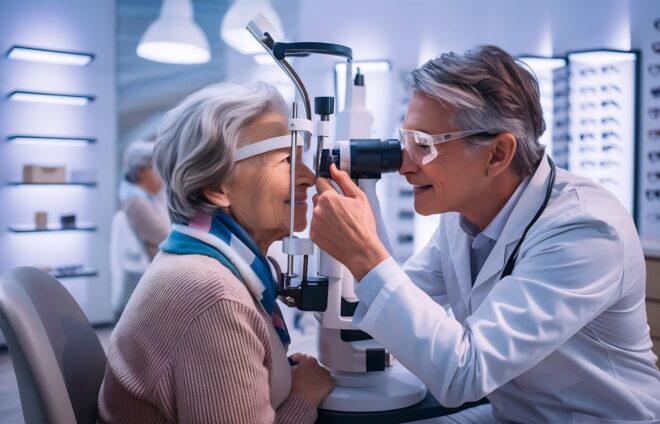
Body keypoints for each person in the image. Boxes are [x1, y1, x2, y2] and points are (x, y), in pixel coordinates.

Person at [310, 45, 660, 422]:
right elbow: (395, 303)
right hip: (513, 414)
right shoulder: (462, 216)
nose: (406, 164)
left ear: (497, 154)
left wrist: (364, 254)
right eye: (407, 138)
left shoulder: (586, 231)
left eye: (425, 145)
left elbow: (465, 373)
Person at [99, 82, 334, 423]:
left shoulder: (212, 269)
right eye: (287, 160)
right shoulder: (212, 296)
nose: (310, 177)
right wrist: (302, 398)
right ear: (215, 188)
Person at [112, 140, 170, 318]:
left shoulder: (152, 198)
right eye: (157, 167)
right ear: (142, 171)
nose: (162, 173)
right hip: (154, 280)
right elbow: (168, 238)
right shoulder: (137, 204)